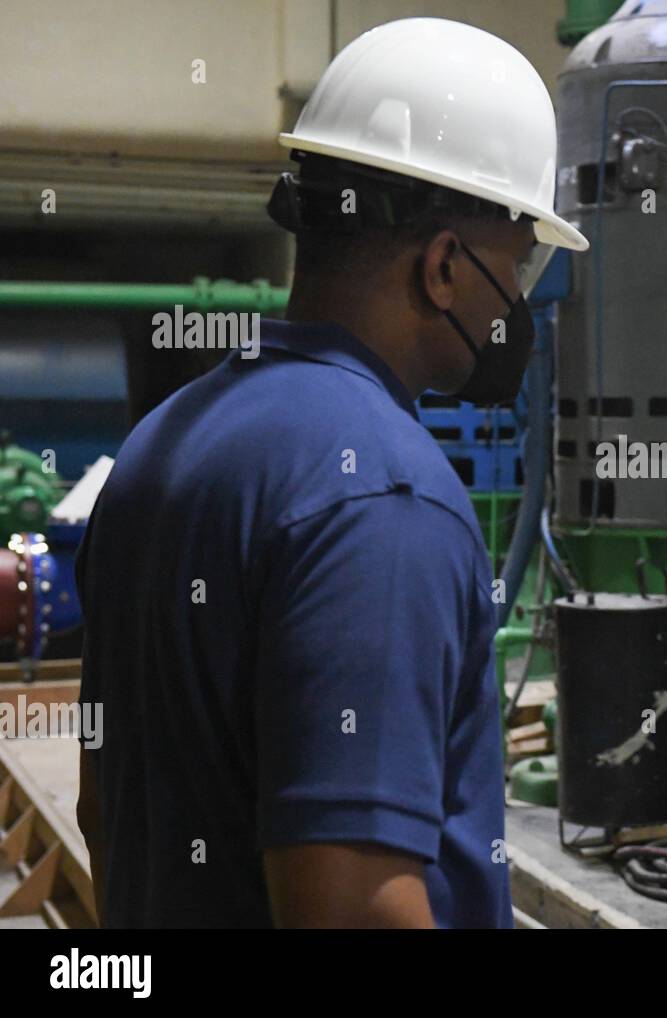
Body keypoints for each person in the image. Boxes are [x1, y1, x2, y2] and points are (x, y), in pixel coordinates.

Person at [75, 17, 587, 928]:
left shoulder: (161, 442)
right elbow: (351, 907)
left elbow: (103, 811)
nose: (521, 300)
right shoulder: (386, 497)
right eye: (517, 264)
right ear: (443, 268)